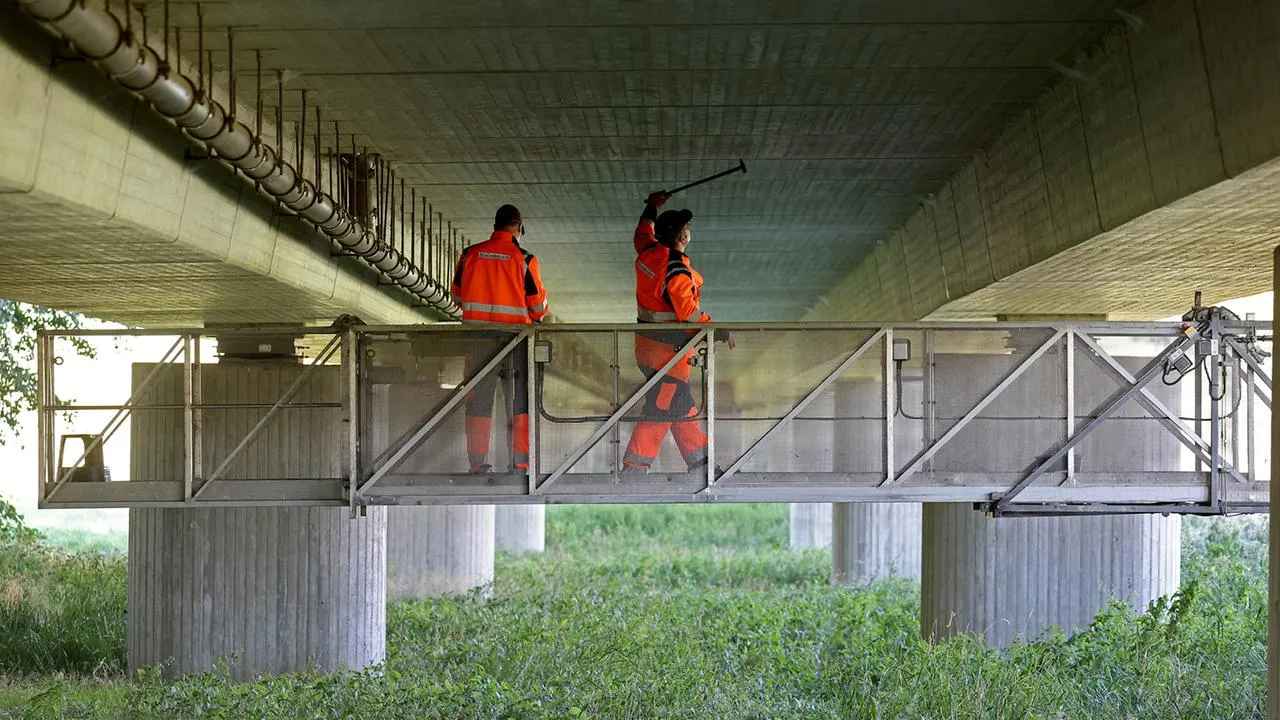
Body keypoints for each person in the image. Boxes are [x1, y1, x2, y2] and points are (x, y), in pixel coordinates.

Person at [622, 191, 732, 474]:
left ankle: (702, 465)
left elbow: (641, 235)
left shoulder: (649, 253)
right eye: (686, 230)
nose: (688, 233)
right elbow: (689, 314)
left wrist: (651, 207)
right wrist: (718, 330)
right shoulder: (676, 271)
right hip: (669, 355)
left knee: (681, 408)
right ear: (682, 238)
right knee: (661, 409)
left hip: (648, 348)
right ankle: (634, 468)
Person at [451, 204, 549, 473]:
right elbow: (538, 309)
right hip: (515, 344)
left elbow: (457, 297)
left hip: (477, 341)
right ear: (519, 227)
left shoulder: (470, 254)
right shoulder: (525, 259)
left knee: (478, 404)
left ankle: (477, 463)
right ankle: (520, 464)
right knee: (519, 404)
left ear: (495, 226)